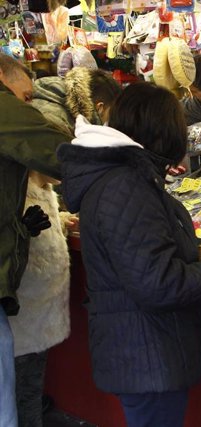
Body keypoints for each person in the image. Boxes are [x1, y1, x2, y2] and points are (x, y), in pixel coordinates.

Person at [57, 82, 201, 427]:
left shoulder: (123, 177)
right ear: (164, 131)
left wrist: (193, 251)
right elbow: (157, 282)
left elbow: (140, 250)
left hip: (143, 350)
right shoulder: (125, 185)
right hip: (146, 354)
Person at [0, 54, 70, 427]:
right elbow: (62, 153)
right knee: (11, 400)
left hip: (20, 301)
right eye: (25, 98)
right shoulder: (6, 115)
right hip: (17, 303)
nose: (27, 106)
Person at [9, 170, 77, 427]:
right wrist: (21, 231)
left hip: (40, 314)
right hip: (23, 316)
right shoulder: (16, 194)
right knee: (23, 390)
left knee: (31, 384)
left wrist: (60, 220)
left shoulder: (42, 190)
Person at [31, 67, 121, 136]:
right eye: (111, 114)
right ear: (100, 108)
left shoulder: (47, 100)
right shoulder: (58, 125)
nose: (111, 121)